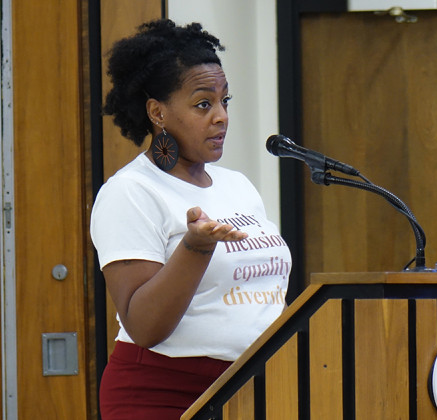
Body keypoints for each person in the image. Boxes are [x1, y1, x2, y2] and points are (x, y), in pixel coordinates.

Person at [90, 19, 292, 419]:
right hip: (164, 395)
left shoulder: (239, 187)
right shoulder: (131, 191)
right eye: (203, 104)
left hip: (254, 389)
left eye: (225, 101)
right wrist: (194, 248)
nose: (221, 117)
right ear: (157, 112)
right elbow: (143, 326)